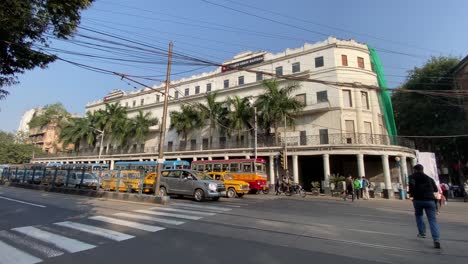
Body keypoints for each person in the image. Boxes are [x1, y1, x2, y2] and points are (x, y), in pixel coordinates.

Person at [408, 164, 441, 249]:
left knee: (419, 215)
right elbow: (435, 189)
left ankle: (422, 233)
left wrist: (412, 194)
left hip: (418, 200)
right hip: (430, 200)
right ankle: (436, 239)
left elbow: (411, 188)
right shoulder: (429, 178)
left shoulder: (412, 177)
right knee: (432, 220)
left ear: (415, 170)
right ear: (422, 169)